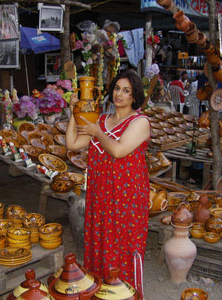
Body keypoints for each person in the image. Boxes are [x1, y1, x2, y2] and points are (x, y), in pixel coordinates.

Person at [66, 69, 150, 293]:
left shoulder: (140, 122)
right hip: (100, 195)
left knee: (123, 247)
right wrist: (73, 113)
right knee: (100, 244)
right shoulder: (101, 120)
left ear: (134, 96)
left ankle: (127, 295)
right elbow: (72, 143)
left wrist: (97, 132)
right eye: (116, 89)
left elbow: (119, 150)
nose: (119, 94)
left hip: (127, 197)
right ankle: (101, 294)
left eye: (126, 91)